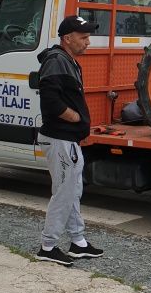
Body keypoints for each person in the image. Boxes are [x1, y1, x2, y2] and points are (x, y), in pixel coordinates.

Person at [35, 15, 103, 266]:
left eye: (88, 37)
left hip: (68, 140)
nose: (88, 43)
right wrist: (75, 117)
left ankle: (78, 242)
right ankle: (48, 246)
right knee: (64, 193)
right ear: (68, 38)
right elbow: (51, 102)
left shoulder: (67, 61)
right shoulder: (56, 62)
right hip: (59, 139)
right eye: (83, 38)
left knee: (73, 190)